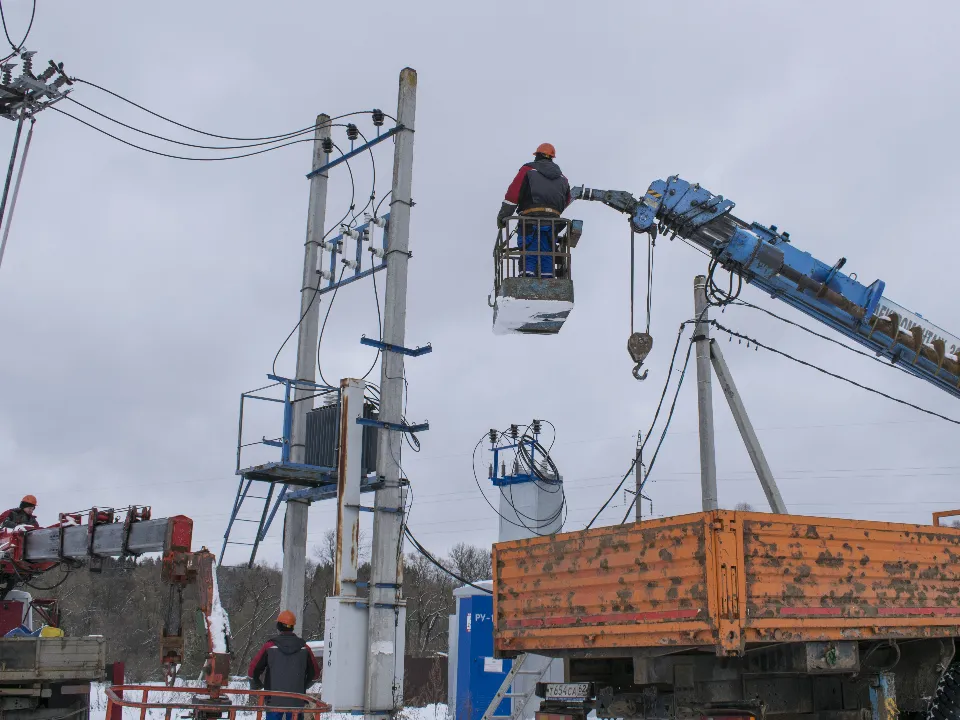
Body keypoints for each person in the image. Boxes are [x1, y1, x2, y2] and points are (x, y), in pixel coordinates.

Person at [497, 143, 572, 277]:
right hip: (552, 222)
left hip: (529, 220)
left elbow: (512, 196)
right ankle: (548, 279)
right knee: (547, 251)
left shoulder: (528, 170)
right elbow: (566, 200)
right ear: (551, 158)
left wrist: (503, 216)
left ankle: (526, 277)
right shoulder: (563, 178)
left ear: (537, 156)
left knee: (530, 248)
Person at [248, 610, 320, 720]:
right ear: (292, 627)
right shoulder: (304, 648)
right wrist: (303, 686)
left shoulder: (269, 646)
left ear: (279, 626)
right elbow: (315, 674)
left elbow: (253, 671)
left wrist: (257, 685)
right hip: (297, 700)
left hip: (274, 700)